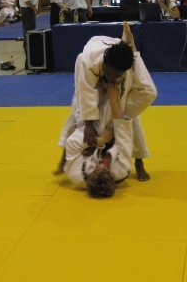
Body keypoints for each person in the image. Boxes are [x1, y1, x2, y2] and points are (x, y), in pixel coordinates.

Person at [56, 22, 157, 181]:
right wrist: (89, 125)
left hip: (123, 55)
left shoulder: (124, 67)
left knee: (130, 114)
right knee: (79, 109)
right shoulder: (89, 60)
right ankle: (66, 154)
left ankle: (138, 159)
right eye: (109, 74)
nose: (111, 78)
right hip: (91, 71)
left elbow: (146, 91)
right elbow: (85, 92)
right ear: (105, 64)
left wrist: (119, 119)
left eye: (115, 75)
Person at [18, 0, 38, 64]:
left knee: (30, 29)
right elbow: (27, 0)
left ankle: (31, 51)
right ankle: (28, 52)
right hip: (27, 10)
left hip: (28, 9)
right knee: (28, 31)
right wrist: (34, 8)